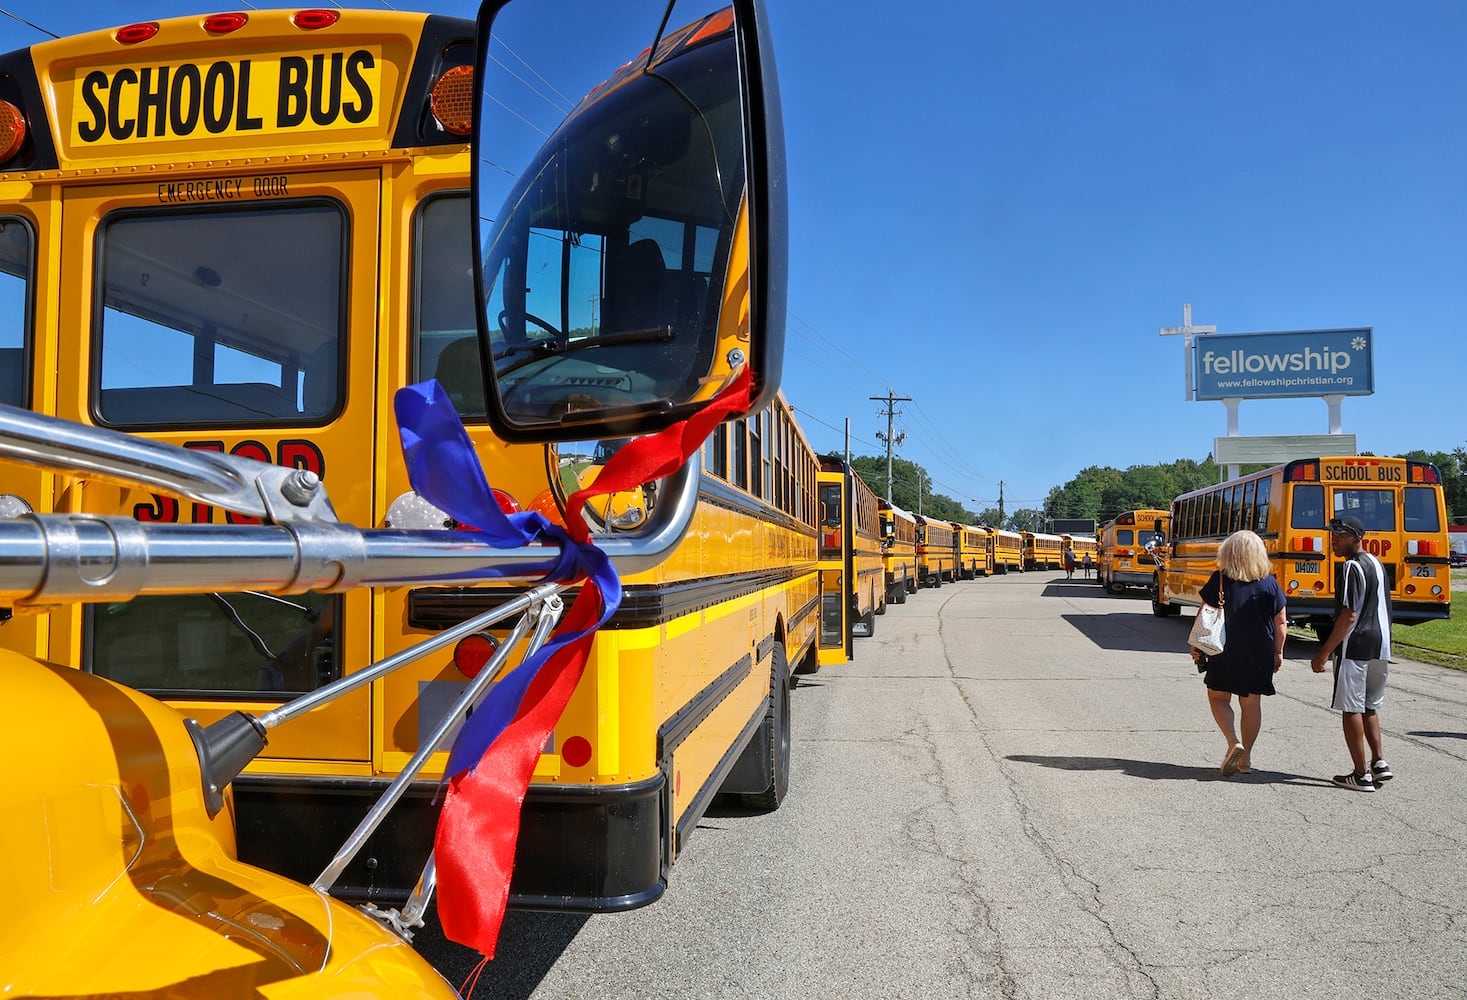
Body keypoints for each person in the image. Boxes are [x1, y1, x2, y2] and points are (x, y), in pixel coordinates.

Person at [1190, 530, 1287, 776]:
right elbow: (1281, 623)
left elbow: (1205, 616)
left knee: (1218, 697)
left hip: (1225, 648)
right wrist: (1278, 652)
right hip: (1260, 650)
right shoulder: (1270, 583)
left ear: (1229, 553)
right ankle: (1246, 761)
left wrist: (1197, 646)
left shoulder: (1220, 579)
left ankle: (1233, 742)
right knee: (1251, 703)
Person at [1309, 515, 1393, 792]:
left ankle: (1360, 774)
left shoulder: (1351, 567)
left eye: (1340, 535)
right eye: (1333, 534)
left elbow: (1349, 614)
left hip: (1356, 645)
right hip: (1381, 645)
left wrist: (1324, 653)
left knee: (1351, 709)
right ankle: (1378, 762)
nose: (1334, 539)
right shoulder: (1377, 564)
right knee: (1370, 706)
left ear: (1357, 538)